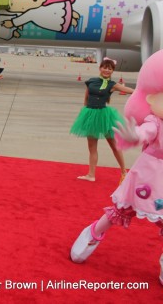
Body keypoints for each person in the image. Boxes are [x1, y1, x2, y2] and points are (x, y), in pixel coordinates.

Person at [70, 49, 163, 285]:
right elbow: (146, 131)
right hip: (147, 176)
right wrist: (136, 135)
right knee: (122, 208)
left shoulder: (111, 84)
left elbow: (124, 90)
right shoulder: (154, 121)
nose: (106, 70)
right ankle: (95, 231)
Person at [70, 57, 134, 182]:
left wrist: (144, 91)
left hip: (105, 116)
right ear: (100, 68)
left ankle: (124, 172)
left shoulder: (113, 84)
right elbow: (86, 97)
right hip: (90, 114)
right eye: (105, 67)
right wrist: (85, 112)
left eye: (110, 68)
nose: (106, 70)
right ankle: (91, 175)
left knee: (114, 146)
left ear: (112, 71)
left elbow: (130, 90)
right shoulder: (91, 81)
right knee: (92, 147)